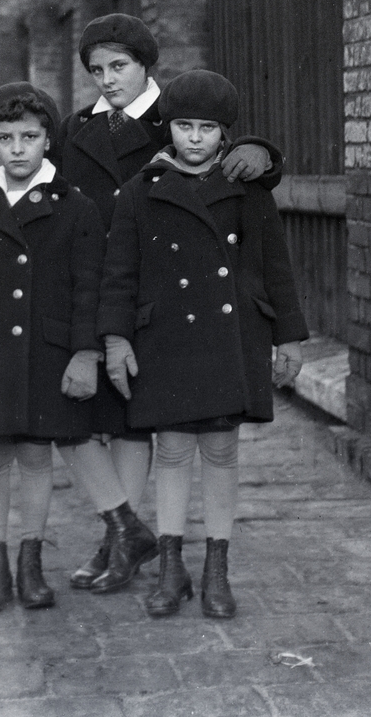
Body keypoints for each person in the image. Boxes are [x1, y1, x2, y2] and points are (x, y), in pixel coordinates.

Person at [0, 12, 284, 594]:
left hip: (158, 294)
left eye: (119, 67)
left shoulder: (173, 118)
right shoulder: (78, 127)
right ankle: (123, 532)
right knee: (90, 415)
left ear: (146, 65)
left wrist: (262, 152)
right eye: (96, 70)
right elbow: (34, 169)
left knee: (140, 422)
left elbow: (225, 155)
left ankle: (126, 543)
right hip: (90, 287)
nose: (107, 80)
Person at [0, 82, 157, 612]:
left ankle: (31, 564)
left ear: (49, 139)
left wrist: (85, 353)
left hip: (43, 352)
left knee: (34, 456)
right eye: (5, 139)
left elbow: (88, 289)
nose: (18, 149)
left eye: (29, 136)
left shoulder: (75, 206)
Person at [98, 69, 308, 620]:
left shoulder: (248, 190)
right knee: (171, 450)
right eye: (184, 126)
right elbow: (119, 274)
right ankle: (171, 567)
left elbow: (276, 268)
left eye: (208, 128)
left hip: (230, 337)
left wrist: (289, 337)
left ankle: (217, 569)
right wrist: (116, 339)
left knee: (220, 450)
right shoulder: (141, 190)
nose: (195, 138)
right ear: (168, 128)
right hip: (164, 337)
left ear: (224, 133)